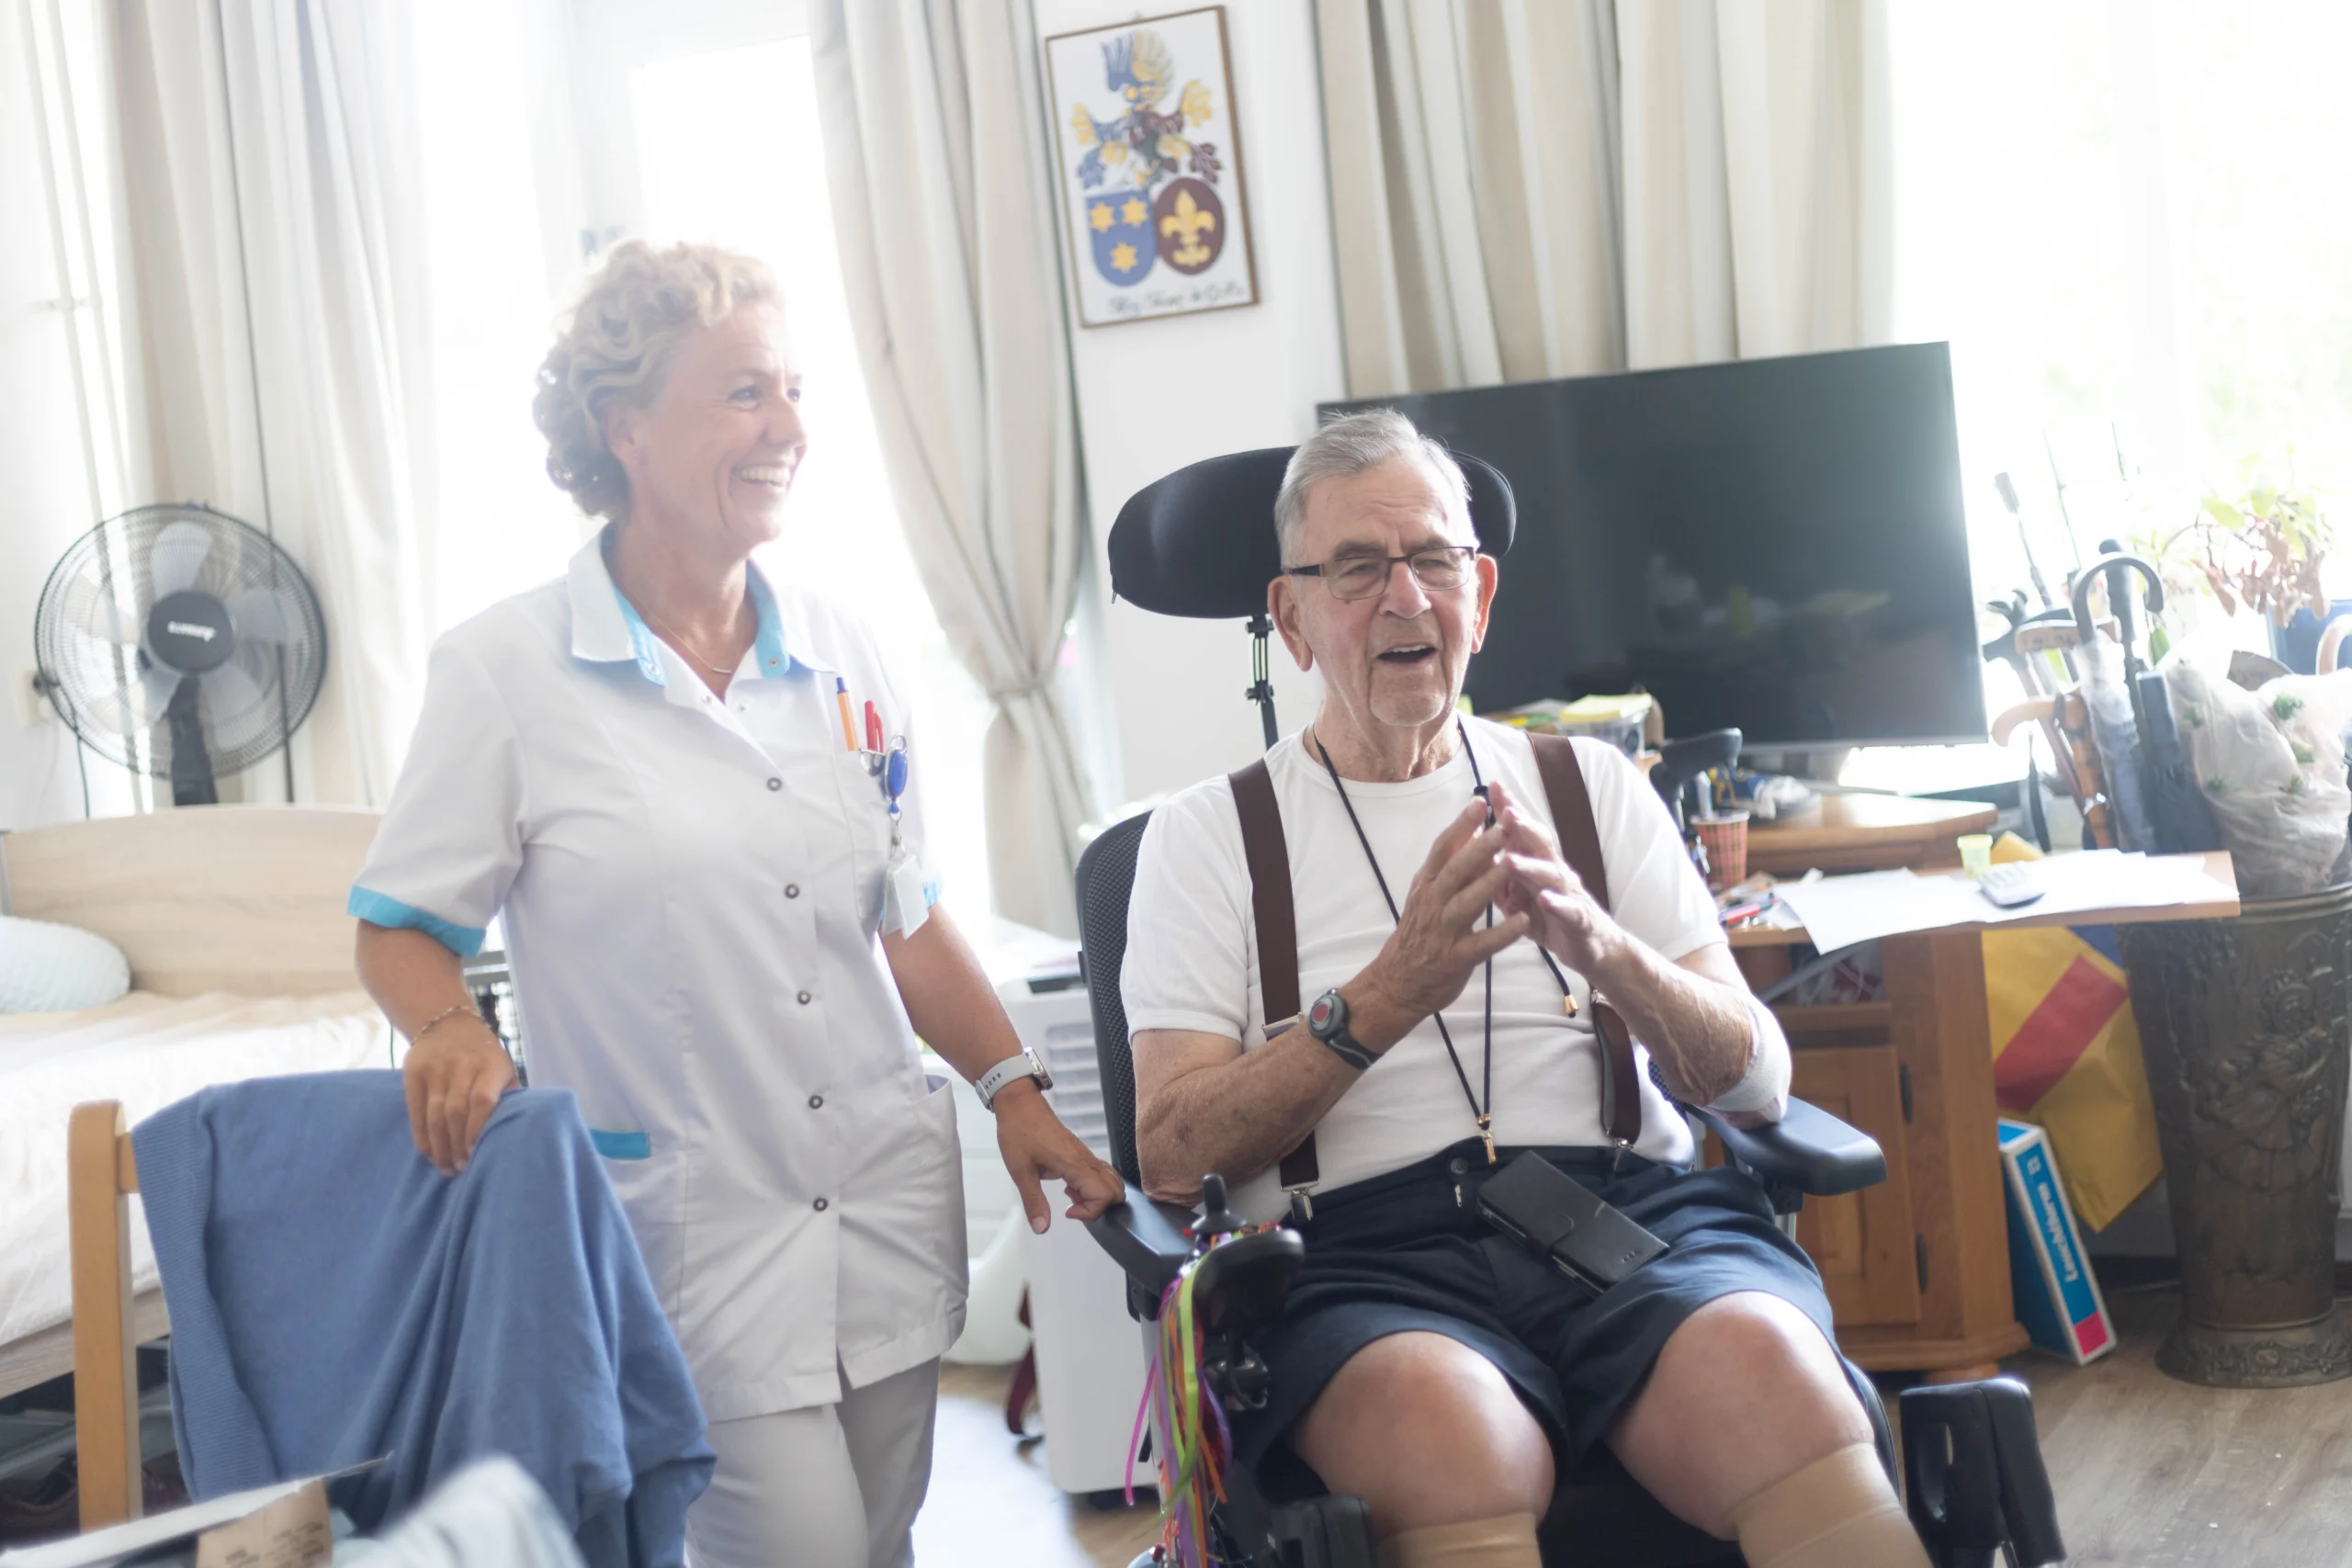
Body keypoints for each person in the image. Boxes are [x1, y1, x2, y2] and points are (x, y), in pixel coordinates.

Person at [350, 240, 1121, 1568]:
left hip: (878, 1196)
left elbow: (909, 910)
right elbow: (400, 922)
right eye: (746, 393)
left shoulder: (845, 645)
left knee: (879, 1543)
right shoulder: (505, 670)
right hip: (690, 1231)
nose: (791, 429)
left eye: (797, 390)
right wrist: (444, 1030)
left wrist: (1015, 1091)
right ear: (625, 428)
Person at [1121, 410, 1930, 1568]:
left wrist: (1602, 948)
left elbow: (1755, 1085)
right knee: (1450, 1436)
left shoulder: (1589, 785)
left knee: (1773, 1372)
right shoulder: (1204, 839)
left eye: (1434, 560)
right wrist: (1384, 999)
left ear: (1480, 593)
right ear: (1293, 620)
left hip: (1620, 1215)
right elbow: (1170, 1150)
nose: (1404, 598)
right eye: (1357, 570)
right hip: (1354, 1254)